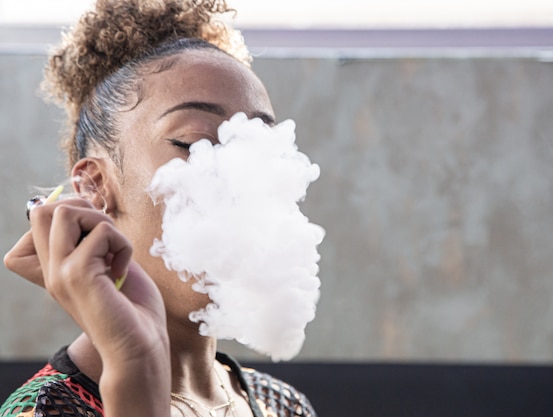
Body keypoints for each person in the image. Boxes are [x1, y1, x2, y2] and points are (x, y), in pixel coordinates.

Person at [0, 1, 317, 416]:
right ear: (95, 185)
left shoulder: (283, 405)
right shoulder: (45, 410)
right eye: (192, 143)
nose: (240, 177)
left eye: (256, 146)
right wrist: (134, 363)